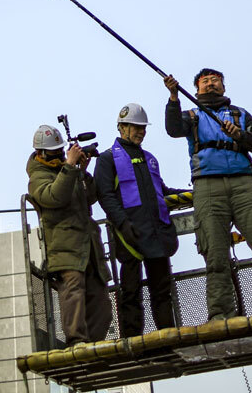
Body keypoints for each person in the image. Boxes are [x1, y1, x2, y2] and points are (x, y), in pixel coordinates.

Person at [164, 69, 252, 320]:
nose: (210, 84)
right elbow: (173, 129)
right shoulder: (192, 115)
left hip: (244, 184)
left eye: (215, 80)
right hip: (207, 187)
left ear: (223, 86)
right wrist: (173, 97)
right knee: (215, 256)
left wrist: (239, 135)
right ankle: (220, 316)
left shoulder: (240, 115)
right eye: (204, 81)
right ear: (196, 89)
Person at [94, 103, 179, 337]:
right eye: (135, 127)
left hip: (156, 234)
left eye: (143, 127)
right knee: (130, 292)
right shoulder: (107, 159)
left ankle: (168, 336)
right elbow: (105, 195)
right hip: (129, 234)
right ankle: (133, 341)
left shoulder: (149, 159)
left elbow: (161, 191)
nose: (140, 131)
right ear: (122, 127)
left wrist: (190, 193)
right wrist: (123, 223)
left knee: (162, 290)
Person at [26, 124, 111, 346]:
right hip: (65, 247)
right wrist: (71, 167)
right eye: (55, 153)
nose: (60, 156)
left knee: (101, 300)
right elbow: (55, 197)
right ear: (41, 153)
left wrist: (82, 171)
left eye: (61, 152)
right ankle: (77, 342)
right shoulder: (38, 177)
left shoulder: (68, 169)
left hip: (88, 244)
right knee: (73, 294)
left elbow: (90, 197)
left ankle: (94, 344)